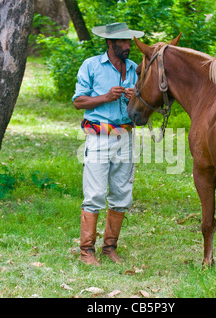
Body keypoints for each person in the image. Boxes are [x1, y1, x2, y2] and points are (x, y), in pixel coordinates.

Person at [72, 22, 144, 266]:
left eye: (129, 41)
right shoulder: (91, 66)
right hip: (99, 137)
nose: (127, 46)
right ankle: (86, 252)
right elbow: (78, 102)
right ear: (109, 43)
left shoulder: (135, 69)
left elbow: (145, 104)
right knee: (93, 194)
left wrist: (135, 97)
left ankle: (109, 248)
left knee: (122, 193)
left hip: (125, 136)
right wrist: (106, 97)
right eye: (123, 42)